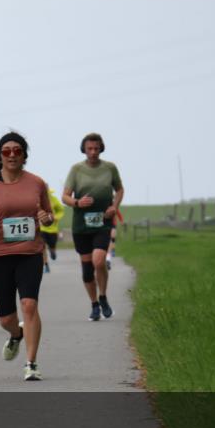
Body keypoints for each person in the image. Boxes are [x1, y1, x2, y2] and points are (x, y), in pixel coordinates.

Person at [0, 132, 53, 381]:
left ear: (24, 154)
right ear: (0, 156)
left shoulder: (37, 183)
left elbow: (47, 214)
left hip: (29, 253)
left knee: (29, 304)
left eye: (17, 150)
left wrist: (46, 219)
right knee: (6, 318)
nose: (12, 155)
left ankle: (31, 363)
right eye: (7, 151)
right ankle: (16, 334)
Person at [61, 133, 124, 321]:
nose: (93, 152)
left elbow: (119, 189)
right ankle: (94, 304)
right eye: (89, 149)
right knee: (88, 269)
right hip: (81, 224)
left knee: (99, 261)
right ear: (84, 149)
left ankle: (103, 296)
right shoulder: (76, 170)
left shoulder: (110, 168)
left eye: (96, 148)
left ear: (101, 148)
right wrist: (78, 202)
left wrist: (114, 206)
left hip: (102, 222)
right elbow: (65, 196)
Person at [40, 188, 66, 273]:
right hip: (42, 228)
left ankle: (53, 252)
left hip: (53, 229)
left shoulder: (54, 200)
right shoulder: (39, 199)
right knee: (42, 246)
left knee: (52, 247)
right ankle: (46, 265)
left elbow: (61, 210)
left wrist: (56, 217)